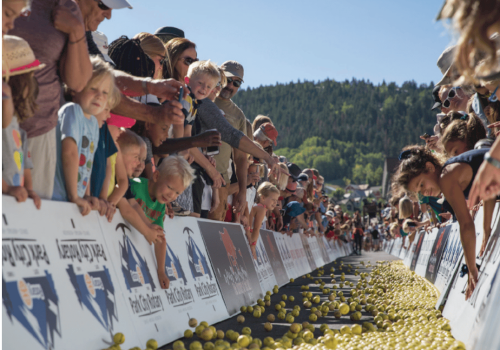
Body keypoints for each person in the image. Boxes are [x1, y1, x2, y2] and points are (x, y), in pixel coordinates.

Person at [10, 0, 94, 199]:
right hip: (3, 125)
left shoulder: (67, 6)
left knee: (33, 219)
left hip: (39, 132)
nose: (108, 15)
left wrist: (76, 29)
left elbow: (78, 82)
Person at [394, 145, 496, 299]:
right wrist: (487, 231)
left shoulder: (446, 178)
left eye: (422, 184)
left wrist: (472, 270)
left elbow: (466, 224)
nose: (424, 192)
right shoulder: (448, 173)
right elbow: (489, 188)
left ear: (429, 167)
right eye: (419, 191)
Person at [52, 56, 119, 216]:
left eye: (105, 92)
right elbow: (70, 153)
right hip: (58, 194)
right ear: (75, 88)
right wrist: (74, 195)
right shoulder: (72, 111)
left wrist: (87, 195)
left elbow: (86, 163)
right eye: (93, 89)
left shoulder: (93, 124)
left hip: (73, 197)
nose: (100, 96)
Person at [125, 154, 195, 289]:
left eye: (177, 193)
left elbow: (160, 238)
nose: (171, 195)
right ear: (156, 176)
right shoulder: (135, 185)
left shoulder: (161, 206)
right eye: (169, 187)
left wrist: (161, 271)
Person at [2, 35, 44, 208]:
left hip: (12, 203)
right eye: (30, 77)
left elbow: (24, 168)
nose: (34, 83)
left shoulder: (19, 131)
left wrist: (29, 190)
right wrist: (6, 188)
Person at [244, 182, 280, 259]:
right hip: (247, 237)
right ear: (263, 198)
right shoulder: (261, 209)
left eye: (276, 200)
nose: (275, 203)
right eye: (273, 199)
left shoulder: (260, 207)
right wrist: (252, 246)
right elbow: (256, 229)